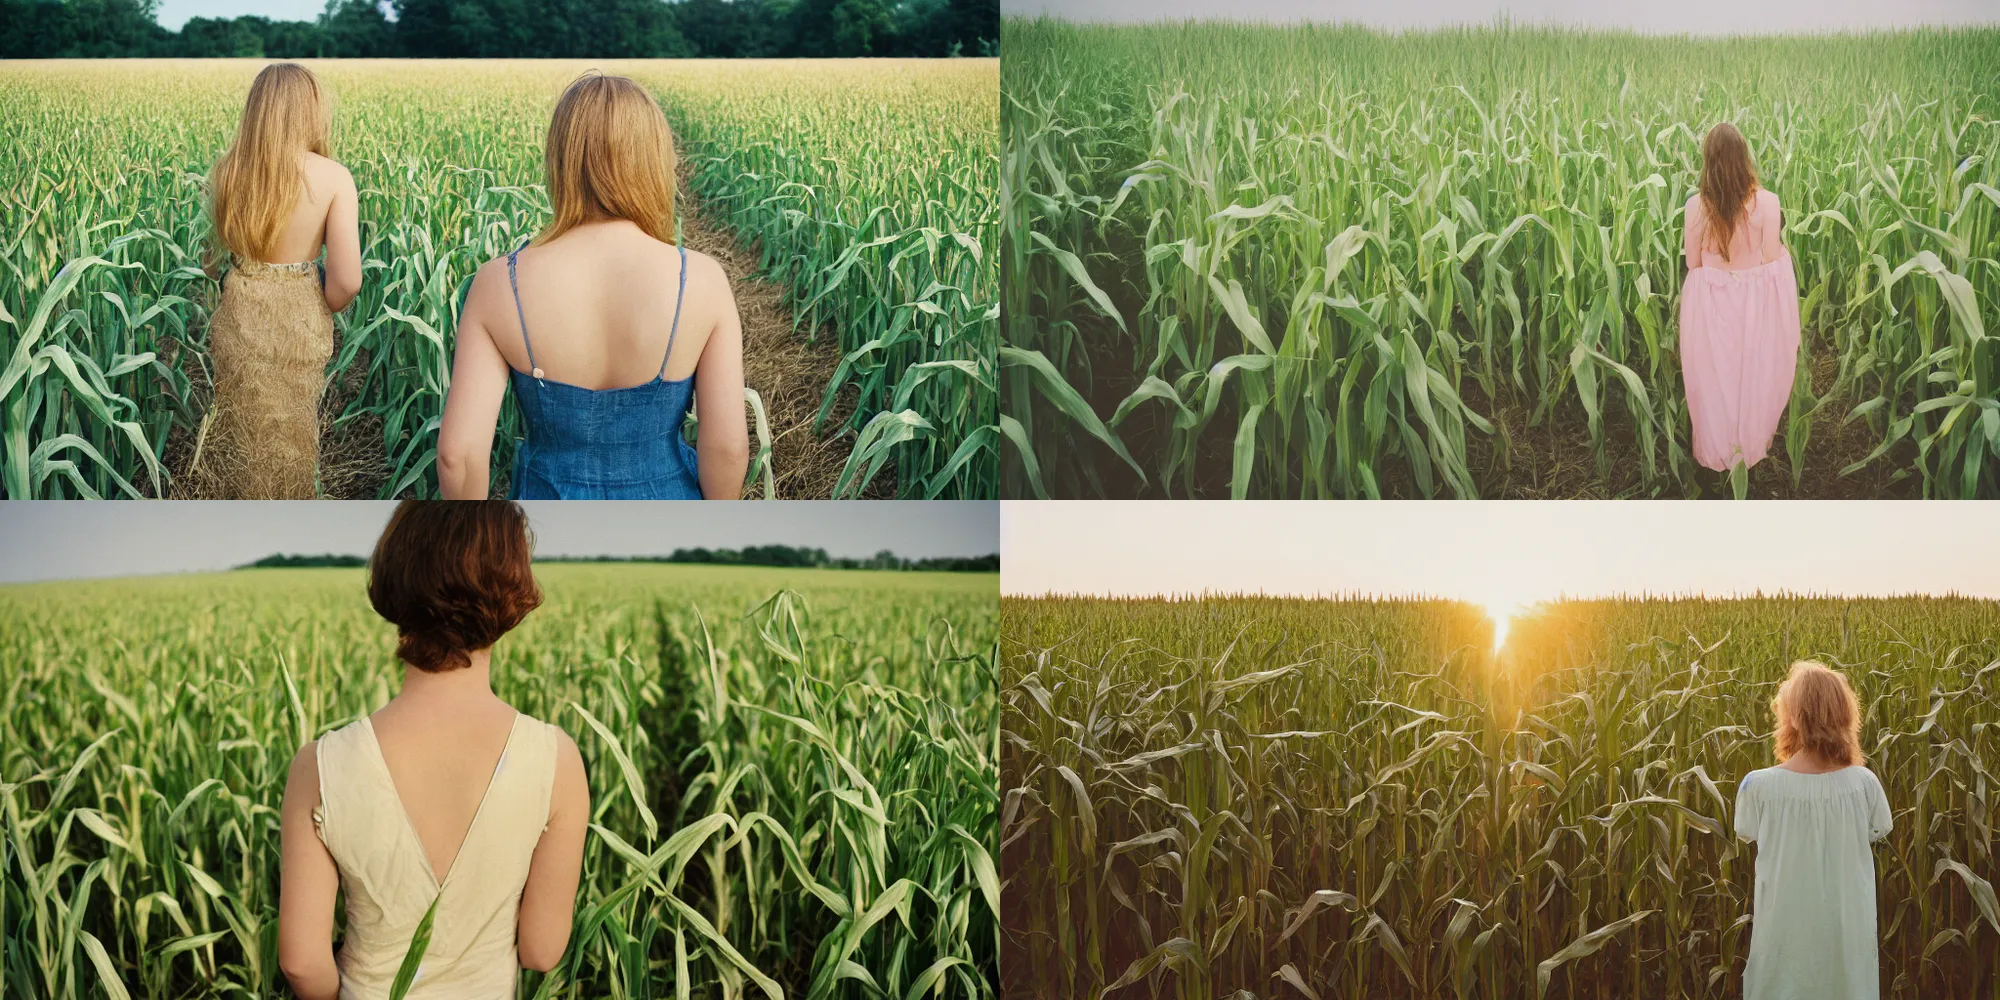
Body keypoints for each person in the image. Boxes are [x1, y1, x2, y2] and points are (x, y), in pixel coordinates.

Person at [277, 501, 589, 999]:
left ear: (394, 579)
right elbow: (540, 951)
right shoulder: (556, 760)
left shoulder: (319, 765)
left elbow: (300, 961)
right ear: (512, 592)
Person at [438, 72, 749, 499]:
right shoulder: (702, 280)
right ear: (655, 160)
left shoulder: (499, 283)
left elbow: (458, 455)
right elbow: (729, 450)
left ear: (560, 160)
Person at [204, 62, 362, 499]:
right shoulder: (333, 178)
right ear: (311, 111)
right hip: (299, 316)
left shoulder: (228, 171)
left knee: (245, 434)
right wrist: (316, 302)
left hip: (240, 306)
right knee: (293, 438)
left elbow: (212, 263)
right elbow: (348, 281)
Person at [1734, 661, 1892, 1000]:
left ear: (1792, 717)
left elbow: (1747, 832)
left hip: (1784, 943)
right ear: (1843, 714)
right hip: (1846, 943)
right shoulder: (1865, 785)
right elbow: (1878, 829)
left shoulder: (1756, 787)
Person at [1679, 122, 1802, 481]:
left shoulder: (1695, 207)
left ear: (1709, 162)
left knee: (1718, 376)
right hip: (1752, 305)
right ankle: (1749, 446)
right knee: (1751, 372)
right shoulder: (1768, 202)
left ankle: (1717, 450)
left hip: (1713, 304)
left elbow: (1692, 264)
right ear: (1743, 159)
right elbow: (1768, 259)